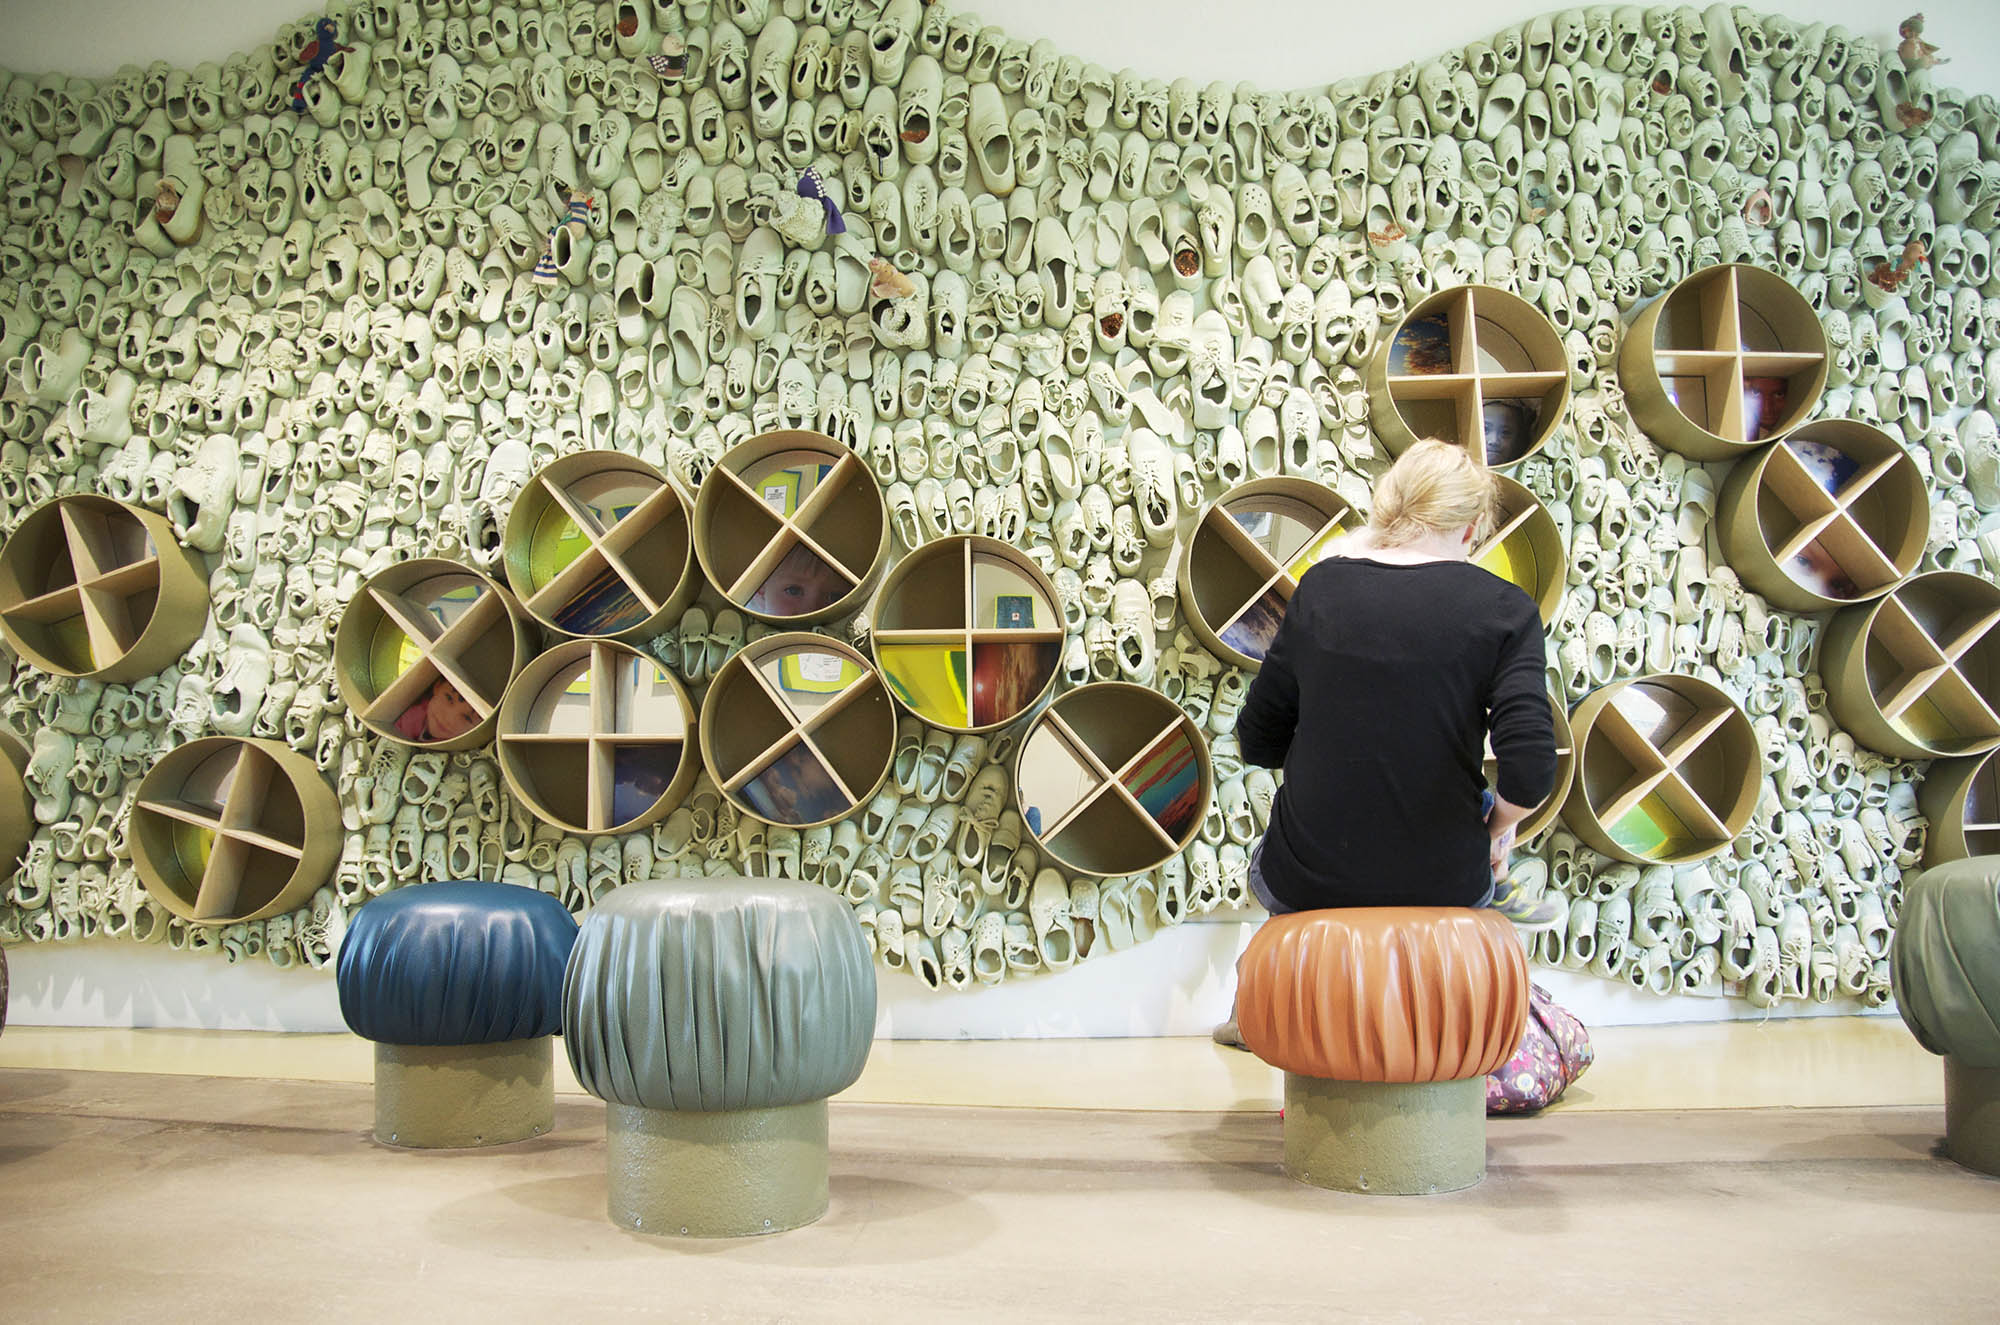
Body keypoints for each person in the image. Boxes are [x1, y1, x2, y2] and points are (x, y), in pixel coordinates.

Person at [1214, 440, 1563, 1047]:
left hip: (1308, 877)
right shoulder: (1505, 609)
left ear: (1390, 504)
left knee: (1285, 834)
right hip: (1446, 879)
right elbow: (1531, 770)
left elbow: (1258, 738)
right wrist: (1495, 829)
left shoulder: (1322, 590)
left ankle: (1265, 1011)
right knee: (1479, 812)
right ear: (1474, 526)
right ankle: (1441, 1010)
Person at [394, 676, 480, 744]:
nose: (448, 719)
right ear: (438, 686)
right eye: (449, 698)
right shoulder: (406, 717)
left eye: (467, 718)